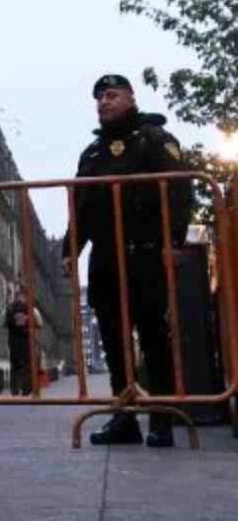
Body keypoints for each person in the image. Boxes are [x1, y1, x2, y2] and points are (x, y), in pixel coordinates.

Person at [62, 74, 191, 448]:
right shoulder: (93, 153)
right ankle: (125, 419)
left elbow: (179, 189)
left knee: (154, 339)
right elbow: (81, 205)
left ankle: (162, 420)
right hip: (106, 258)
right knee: (115, 344)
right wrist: (71, 250)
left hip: (147, 253)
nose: (104, 102)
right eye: (100, 97)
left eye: (112, 95)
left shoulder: (153, 139)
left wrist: (174, 241)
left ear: (131, 98)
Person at [3, 284, 42, 396]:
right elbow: (40, 323)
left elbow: (3, 323)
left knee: (14, 366)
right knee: (27, 366)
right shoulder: (31, 309)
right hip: (27, 341)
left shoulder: (9, 308)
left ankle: (14, 390)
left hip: (13, 341)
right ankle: (26, 390)